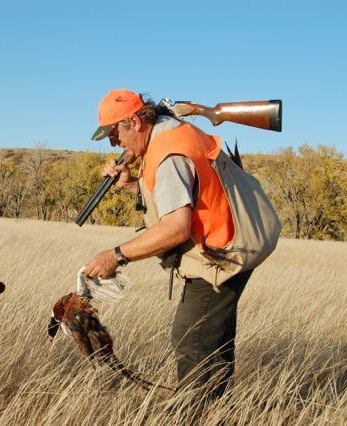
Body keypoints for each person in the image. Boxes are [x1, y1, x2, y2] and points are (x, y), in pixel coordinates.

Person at [83, 89, 254, 399]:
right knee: (214, 343)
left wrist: (116, 255)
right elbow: (180, 196)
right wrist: (133, 185)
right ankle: (219, 411)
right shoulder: (168, 135)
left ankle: (194, 414)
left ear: (134, 122)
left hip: (218, 257)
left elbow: (175, 228)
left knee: (191, 339)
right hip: (230, 246)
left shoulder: (168, 154)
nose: (113, 142)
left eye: (113, 133)